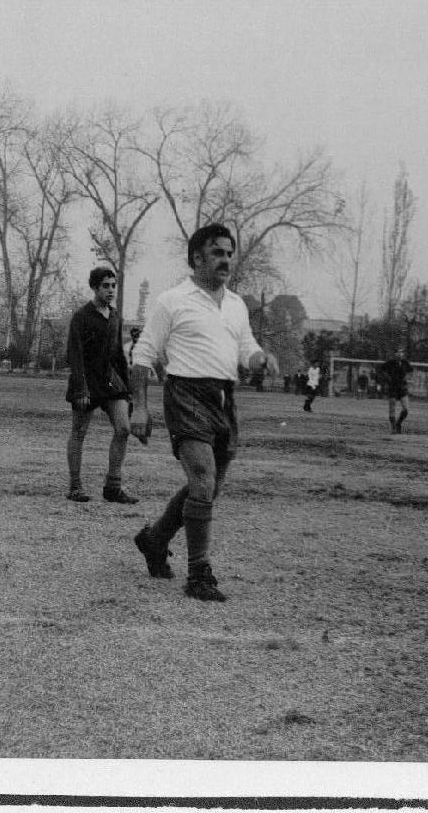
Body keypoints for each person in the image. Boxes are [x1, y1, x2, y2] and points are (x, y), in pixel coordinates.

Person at [129, 223, 278, 603]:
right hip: (186, 394)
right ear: (197, 258)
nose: (226, 260)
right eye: (217, 253)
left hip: (224, 398)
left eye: (229, 253)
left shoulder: (236, 304)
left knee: (208, 488)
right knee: (202, 479)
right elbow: (143, 354)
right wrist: (140, 407)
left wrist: (261, 359)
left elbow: (246, 348)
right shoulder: (172, 301)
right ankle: (199, 573)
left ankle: (154, 539)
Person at [64, 267, 138, 505]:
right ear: (95, 287)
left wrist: (128, 391)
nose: (110, 290)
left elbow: (118, 356)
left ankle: (113, 487)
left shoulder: (116, 317)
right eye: (105, 286)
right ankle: (75, 487)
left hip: (110, 382)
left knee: (123, 429)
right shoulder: (81, 316)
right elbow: (74, 355)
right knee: (79, 432)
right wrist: (80, 389)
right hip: (86, 381)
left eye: (113, 285)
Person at [381, 347, 414, 434]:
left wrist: (407, 377)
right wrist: (387, 378)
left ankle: (398, 423)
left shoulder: (405, 363)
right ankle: (393, 428)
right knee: (392, 407)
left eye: (401, 352)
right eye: (398, 352)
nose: (400, 354)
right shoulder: (390, 363)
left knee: (406, 409)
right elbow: (381, 370)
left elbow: (411, 372)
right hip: (392, 387)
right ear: (394, 354)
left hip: (402, 388)